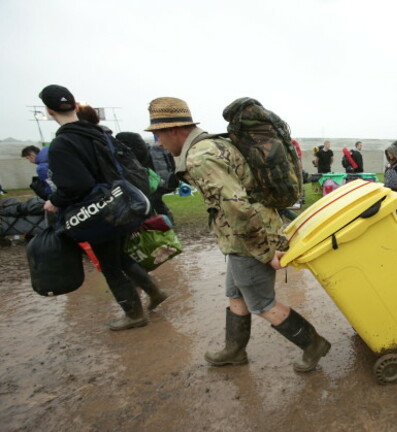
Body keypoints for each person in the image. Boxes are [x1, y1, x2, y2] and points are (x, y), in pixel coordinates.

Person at [144, 97, 330, 373]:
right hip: (241, 237)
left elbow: (237, 209)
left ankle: (314, 345)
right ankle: (234, 350)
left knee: (263, 303)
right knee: (235, 295)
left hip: (250, 238)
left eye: (158, 134)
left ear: (174, 130)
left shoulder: (201, 156)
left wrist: (266, 253)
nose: (158, 142)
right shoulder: (212, 144)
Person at [39, 84, 168, 331]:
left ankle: (134, 314)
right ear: (76, 106)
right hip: (120, 204)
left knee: (110, 266)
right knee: (120, 256)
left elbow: (76, 185)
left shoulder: (62, 144)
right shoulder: (100, 134)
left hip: (96, 214)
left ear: (49, 111)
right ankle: (155, 291)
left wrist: (55, 201)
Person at [115, 131, 174, 221]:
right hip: (154, 180)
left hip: (146, 180)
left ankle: (160, 221)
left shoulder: (128, 153)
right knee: (156, 201)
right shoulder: (145, 149)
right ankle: (166, 219)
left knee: (152, 202)